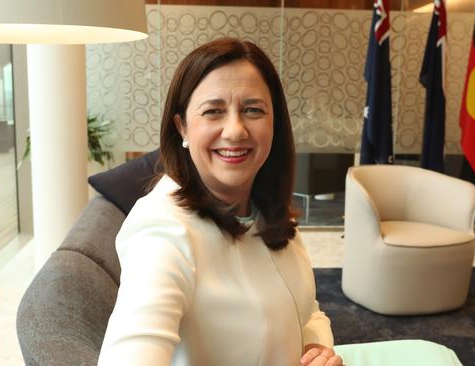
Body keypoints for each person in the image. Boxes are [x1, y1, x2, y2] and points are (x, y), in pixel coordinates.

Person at [98, 38, 343, 366]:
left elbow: (309, 311)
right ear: (181, 126)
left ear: (275, 122)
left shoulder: (266, 207)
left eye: (253, 110)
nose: (235, 130)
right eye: (213, 111)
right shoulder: (162, 230)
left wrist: (317, 349)